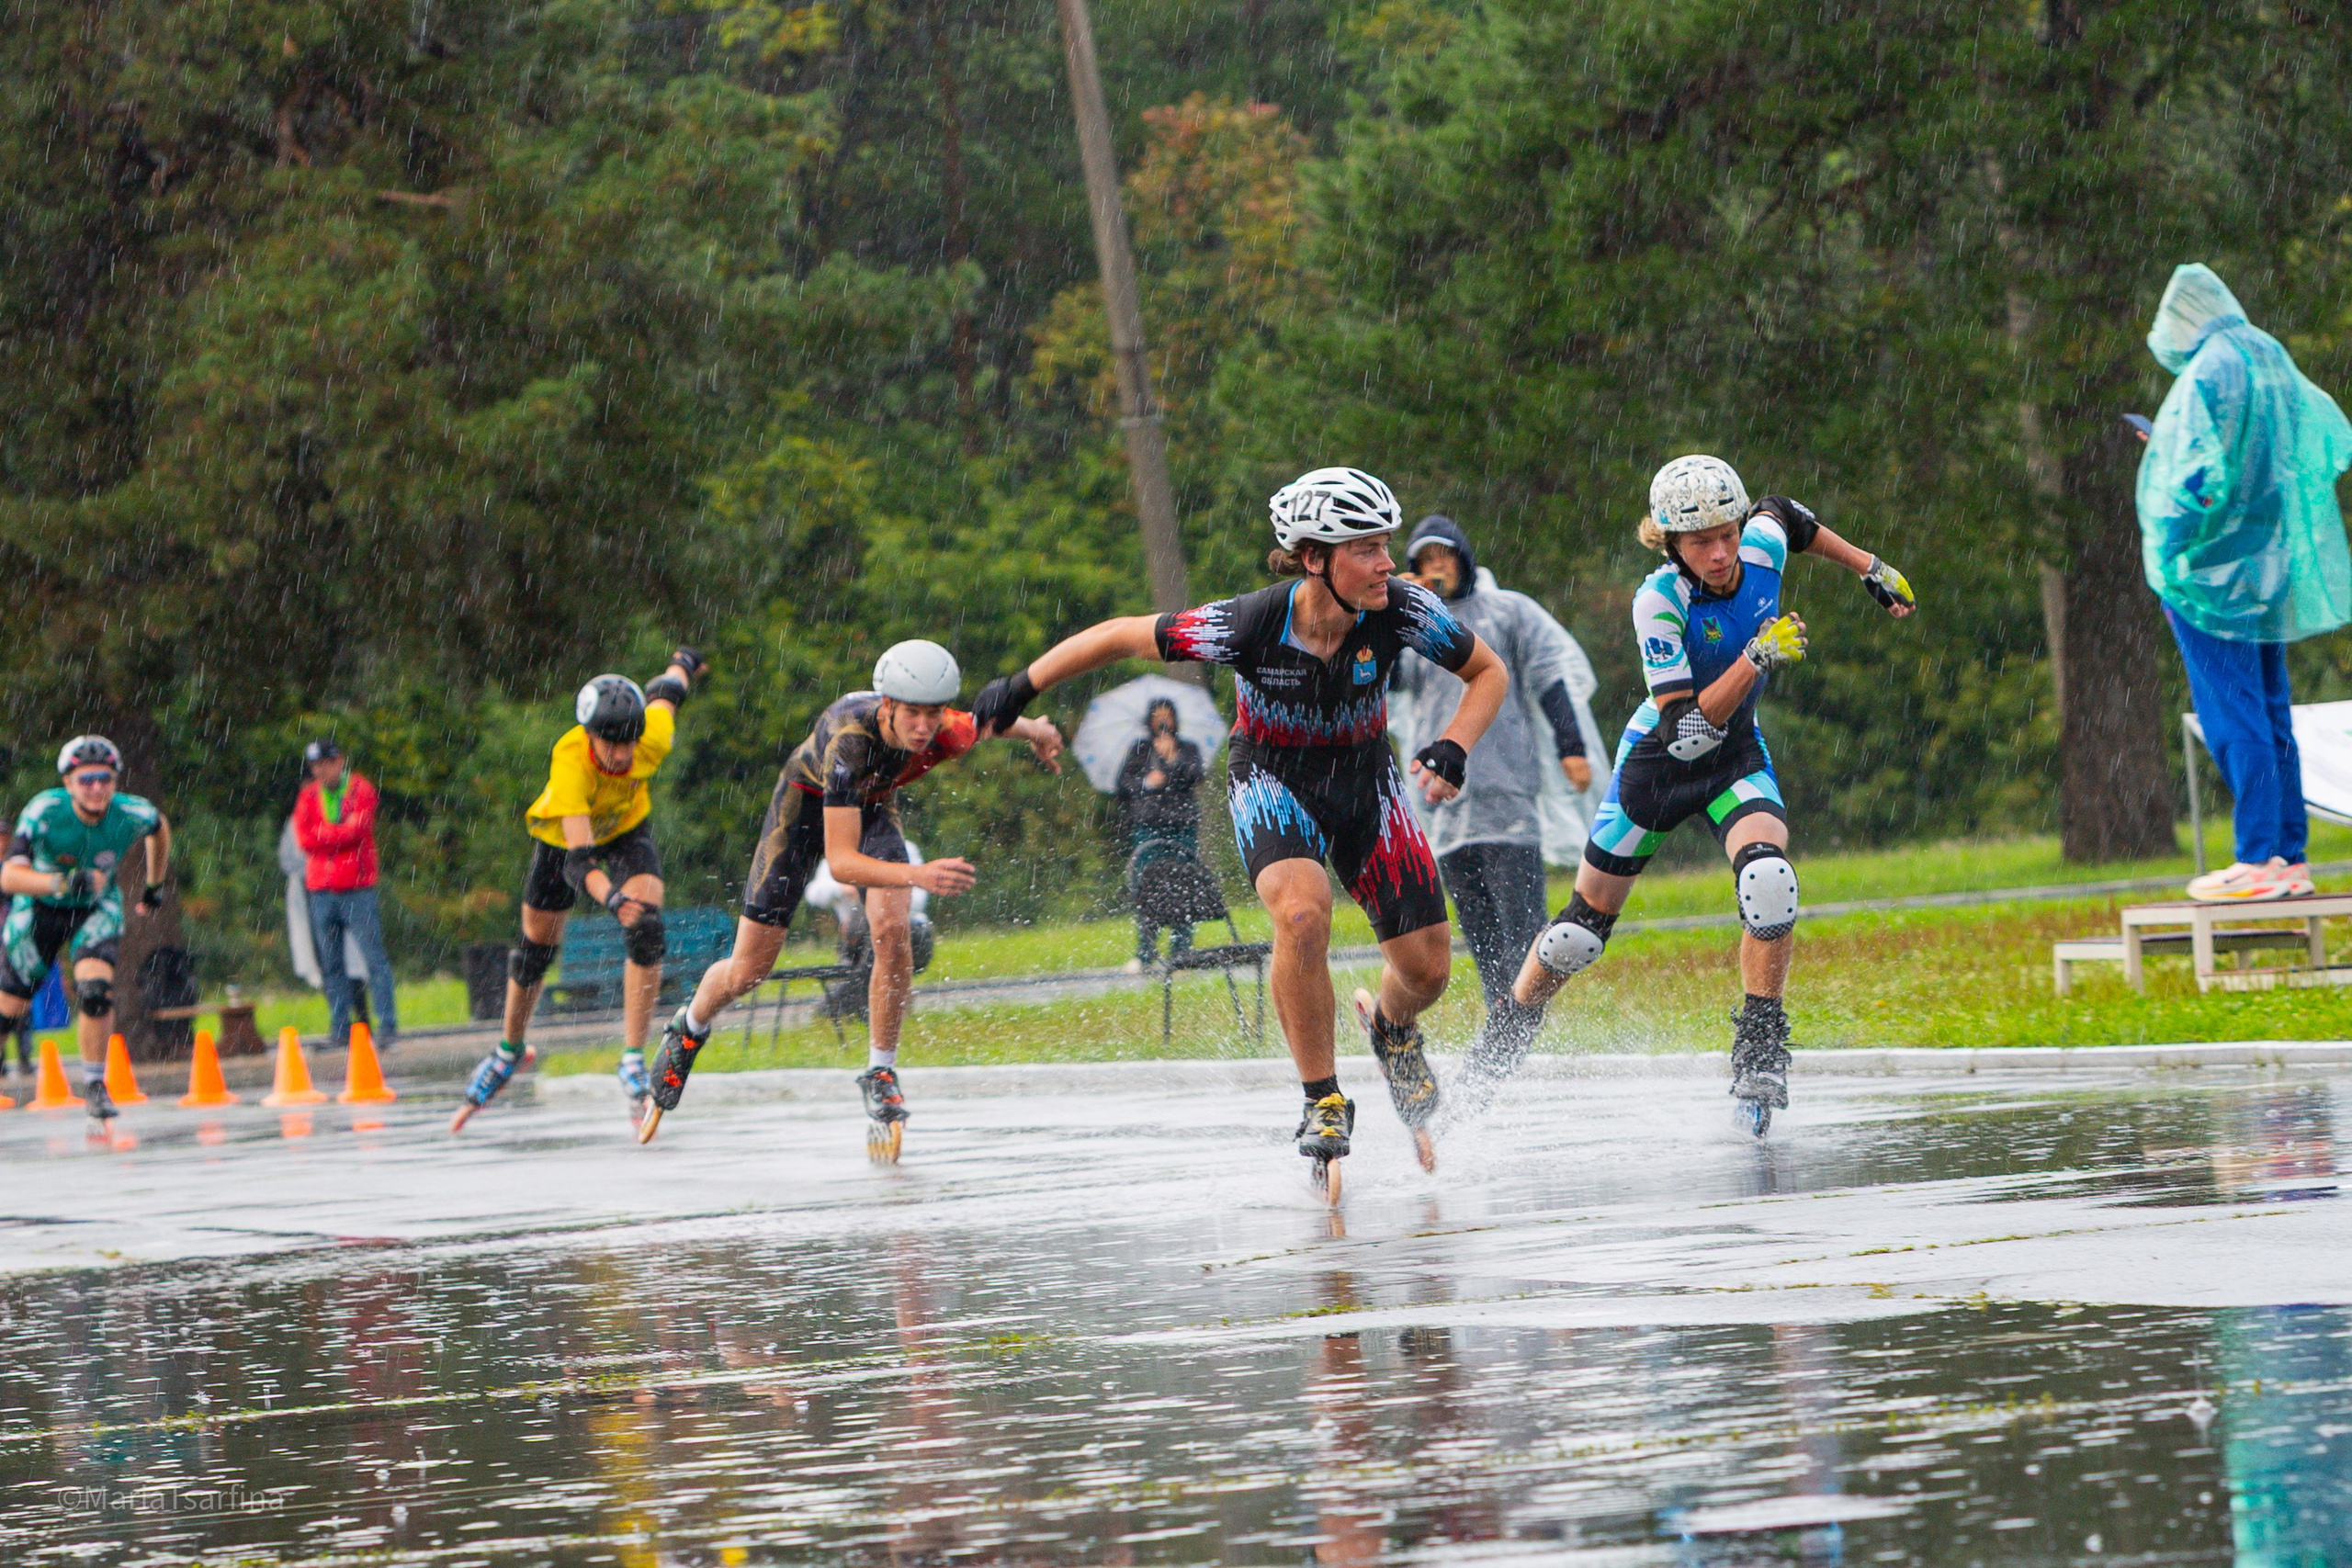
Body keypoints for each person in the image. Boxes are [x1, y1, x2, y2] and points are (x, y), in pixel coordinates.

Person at [967, 467, 1510, 1177]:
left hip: (1364, 780)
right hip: (1272, 778)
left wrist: (1453, 745)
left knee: (1427, 968)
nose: (1387, 563)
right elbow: (1121, 635)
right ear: (1315, 558)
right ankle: (1322, 1098)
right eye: (1366, 547)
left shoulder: (1401, 607)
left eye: (1386, 544)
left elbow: (1487, 672)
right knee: (1302, 916)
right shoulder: (1251, 622)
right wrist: (1019, 686)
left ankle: (1392, 1028)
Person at [1510, 456, 1914, 1131]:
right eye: (1700, 542)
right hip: (1661, 762)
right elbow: (1685, 735)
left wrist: (1869, 567)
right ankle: (1508, 1032)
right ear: (1670, 543)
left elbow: (1790, 513)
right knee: (1578, 938)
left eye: (1727, 532)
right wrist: (1753, 657)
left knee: (1769, 880)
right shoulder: (1659, 601)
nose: (1721, 552)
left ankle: (1759, 1048)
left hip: (1736, 757)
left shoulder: (1759, 544)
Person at [640, 641, 1064, 1147]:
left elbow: (986, 722)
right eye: (912, 714)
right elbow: (841, 863)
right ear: (888, 705)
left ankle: (881, 1072)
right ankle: (687, 1029)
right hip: (802, 811)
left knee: (892, 929)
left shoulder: (944, 729)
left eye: (933, 714)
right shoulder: (849, 741)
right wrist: (919, 874)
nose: (924, 728)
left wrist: (1036, 730)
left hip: (871, 808)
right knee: (750, 968)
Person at [2135, 264, 2352, 902]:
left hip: (2210, 578)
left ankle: (2257, 858)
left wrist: (2176, 537)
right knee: (2270, 712)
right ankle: (2288, 856)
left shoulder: (2212, 369)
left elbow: (2199, 477)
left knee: (2232, 713)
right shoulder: (2268, 358)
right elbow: (2326, 436)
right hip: (2267, 571)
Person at [452, 649, 705, 1132]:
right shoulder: (570, 761)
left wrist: (684, 662)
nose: (621, 755)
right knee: (534, 953)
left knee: (648, 927)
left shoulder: (650, 738)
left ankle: (632, 1057)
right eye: (609, 744)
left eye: (628, 743)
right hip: (563, 845)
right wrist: (612, 900)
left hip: (627, 830)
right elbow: (579, 864)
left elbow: (667, 694)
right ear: (589, 736)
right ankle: (509, 1051)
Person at [1393, 513, 1601, 1090]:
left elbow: (1550, 675)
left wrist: (1572, 747)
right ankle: (1506, 1045)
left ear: (1464, 555)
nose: (1436, 568)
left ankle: (1512, 1041)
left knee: (1526, 932)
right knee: (1483, 938)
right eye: (1423, 560)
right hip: (1445, 805)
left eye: (1444, 556)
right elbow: (1383, 683)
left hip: (1507, 793)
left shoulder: (1507, 611)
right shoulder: (1416, 626)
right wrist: (1389, 619)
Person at [0, 737, 171, 1124]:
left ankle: (95, 1084)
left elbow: (159, 829)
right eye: (87, 779)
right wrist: (60, 883)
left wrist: (154, 884)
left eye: (106, 779)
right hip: (40, 907)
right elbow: (9, 877)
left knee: (95, 992)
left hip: (95, 907)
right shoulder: (44, 811)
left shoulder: (131, 812)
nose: (97, 788)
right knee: (7, 1012)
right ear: (68, 782)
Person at [291, 739, 399, 1050]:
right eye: (315, 766)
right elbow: (306, 839)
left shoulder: (361, 790)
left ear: (339, 762)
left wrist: (326, 835)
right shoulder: (308, 796)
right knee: (331, 964)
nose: (320, 770)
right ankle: (340, 1029)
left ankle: (387, 1026)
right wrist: (337, 834)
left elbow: (358, 830)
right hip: (321, 890)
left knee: (374, 958)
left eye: (325, 763)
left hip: (357, 887)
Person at [1114, 699, 1208, 972]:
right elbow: (1123, 784)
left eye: (1168, 717)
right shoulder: (1140, 749)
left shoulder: (1187, 748)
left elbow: (1195, 775)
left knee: (1183, 883)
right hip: (1148, 825)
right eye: (1158, 717)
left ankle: (1181, 950)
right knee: (1147, 886)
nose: (1163, 722)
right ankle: (1145, 951)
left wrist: (1173, 761)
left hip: (1182, 826)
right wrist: (1147, 781)